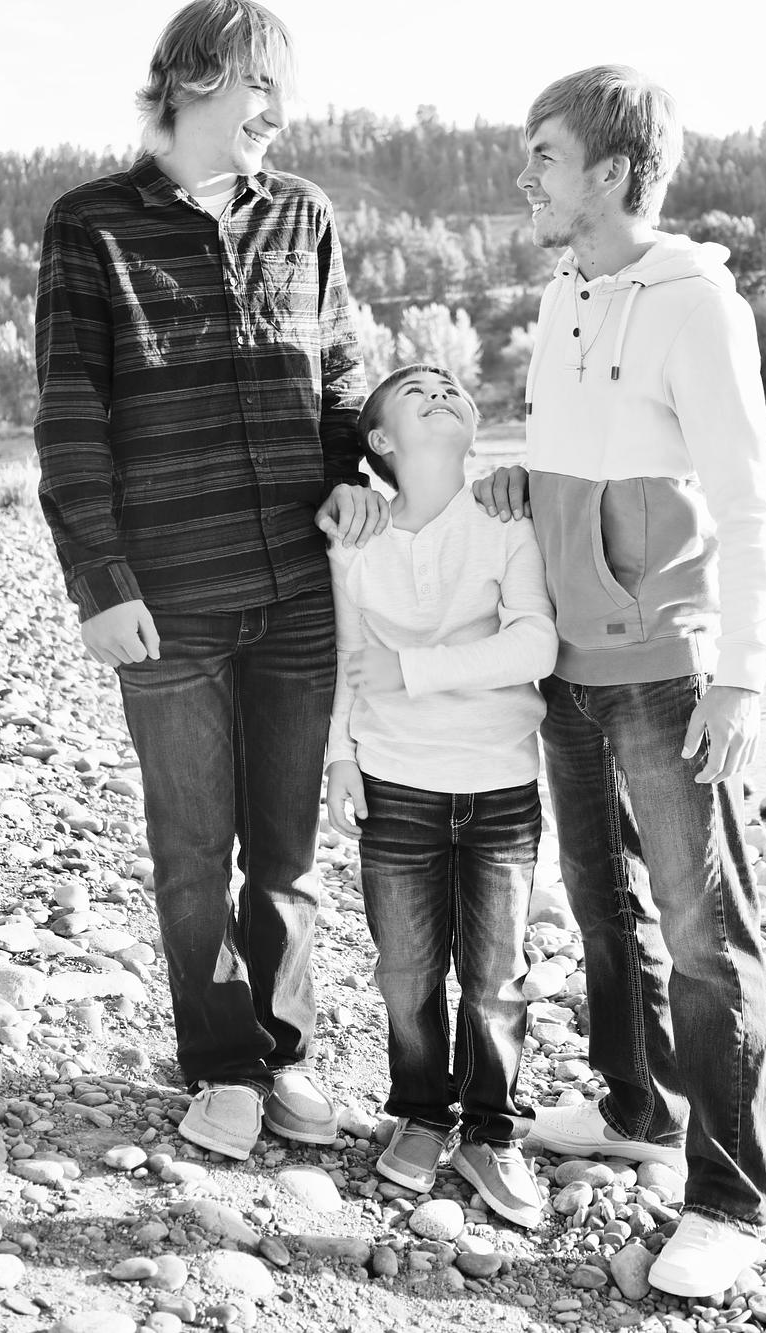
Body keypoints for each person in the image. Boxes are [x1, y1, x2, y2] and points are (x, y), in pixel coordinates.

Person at [33, 0, 385, 1162]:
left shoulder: (304, 216)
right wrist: (100, 582)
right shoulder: (89, 225)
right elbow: (70, 415)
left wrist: (361, 477)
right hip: (167, 601)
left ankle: (286, 1054)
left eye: (284, 90)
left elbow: (341, 378)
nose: (278, 112)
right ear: (190, 80)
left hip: (297, 594)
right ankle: (221, 1063)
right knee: (192, 855)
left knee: (286, 857)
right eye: (258, 86)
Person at [473, 66, 766, 1295]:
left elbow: (750, 503)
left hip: (665, 666)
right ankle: (638, 1109)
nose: (525, 177)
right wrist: (524, 481)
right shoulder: (565, 293)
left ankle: (731, 1196)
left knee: (705, 936)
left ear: (609, 172)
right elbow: (587, 459)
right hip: (568, 662)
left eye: (544, 156)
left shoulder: (695, 304)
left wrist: (740, 680)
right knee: (603, 907)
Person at [324, 364, 559, 1228]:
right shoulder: (357, 538)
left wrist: (414, 669)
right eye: (416, 390)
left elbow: (536, 645)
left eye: (453, 386)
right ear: (380, 440)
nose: (441, 389)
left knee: (496, 977)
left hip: (500, 786)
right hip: (396, 782)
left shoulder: (505, 521)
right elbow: (350, 658)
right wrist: (340, 758)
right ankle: (422, 1114)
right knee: (406, 970)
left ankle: (491, 1132)